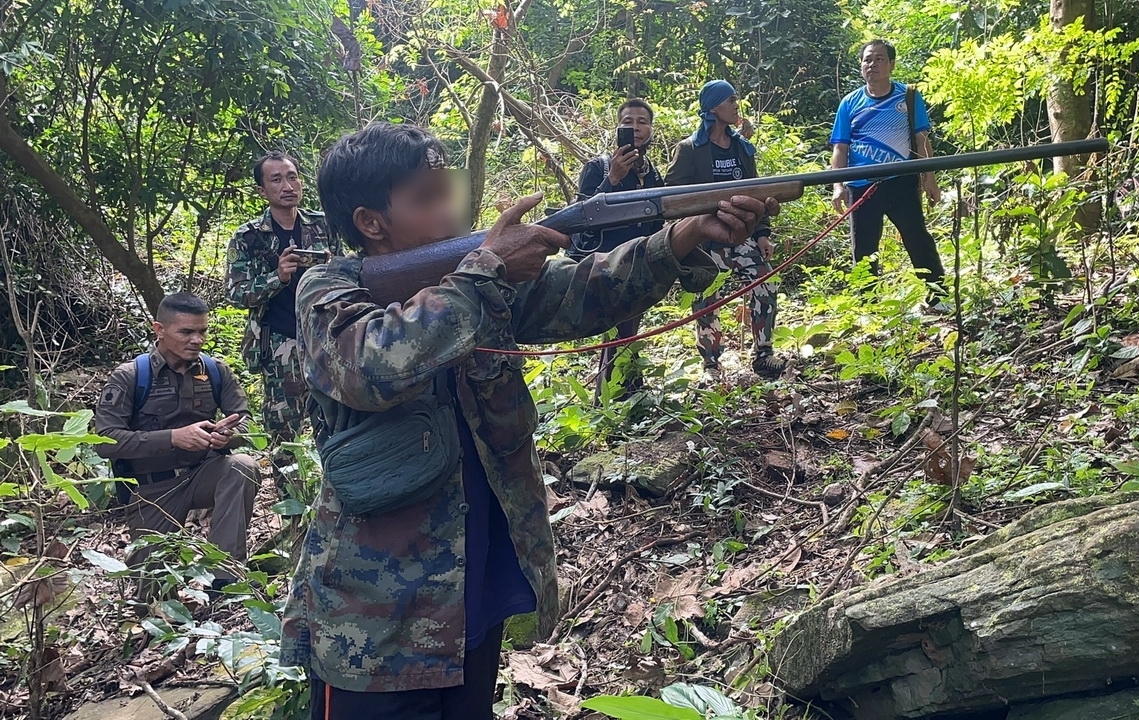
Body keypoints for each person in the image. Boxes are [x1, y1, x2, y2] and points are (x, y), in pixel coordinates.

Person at [280, 121, 776, 719]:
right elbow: (368, 365)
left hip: (475, 587)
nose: (452, 209)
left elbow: (586, 292)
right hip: (376, 621)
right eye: (428, 197)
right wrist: (485, 271)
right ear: (371, 223)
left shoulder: (482, 279)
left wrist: (680, 238)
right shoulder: (327, 288)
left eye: (449, 190)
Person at [94, 293, 258, 595]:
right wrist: (172, 438)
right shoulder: (131, 376)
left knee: (243, 467)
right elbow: (105, 442)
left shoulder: (215, 371)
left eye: (202, 331)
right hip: (152, 490)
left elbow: (244, 418)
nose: (197, 340)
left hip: (202, 474)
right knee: (152, 593)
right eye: (186, 332)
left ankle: (225, 578)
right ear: (160, 330)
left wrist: (229, 435)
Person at [225, 152, 337, 476]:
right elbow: (235, 293)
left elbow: (352, 271)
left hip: (326, 340)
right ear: (262, 190)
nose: (287, 185)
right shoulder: (248, 237)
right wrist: (279, 276)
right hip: (280, 345)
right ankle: (292, 516)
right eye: (276, 179)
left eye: (292, 176)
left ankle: (339, 508)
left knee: (335, 424)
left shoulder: (322, 225)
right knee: (284, 433)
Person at [668, 80, 787, 379]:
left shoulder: (742, 148)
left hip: (742, 235)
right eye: (730, 99)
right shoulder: (689, 149)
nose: (736, 105)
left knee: (766, 284)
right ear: (713, 107)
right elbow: (672, 197)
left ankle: (763, 355)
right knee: (707, 299)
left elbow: (756, 194)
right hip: (705, 240)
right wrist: (686, 239)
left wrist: (762, 234)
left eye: (736, 98)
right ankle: (710, 364)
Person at [831, 39, 945, 299]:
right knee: (864, 248)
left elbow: (921, 139)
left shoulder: (908, 97)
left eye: (879, 59)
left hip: (901, 181)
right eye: (867, 59)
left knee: (917, 239)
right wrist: (838, 186)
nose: (872, 64)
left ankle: (938, 297)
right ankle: (868, 304)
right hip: (861, 185)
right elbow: (840, 147)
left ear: (891, 64)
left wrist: (930, 180)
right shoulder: (849, 103)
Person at [571, 97, 664, 399]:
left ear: (651, 130)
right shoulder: (597, 167)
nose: (635, 128)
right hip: (606, 264)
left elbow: (657, 220)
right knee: (617, 333)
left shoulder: (652, 173)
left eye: (642, 122)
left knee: (631, 330)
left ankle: (631, 393)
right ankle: (610, 401)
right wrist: (612, 179)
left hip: (641, 262)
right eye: (628, 122)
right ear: (617, 128)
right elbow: (581, 216)